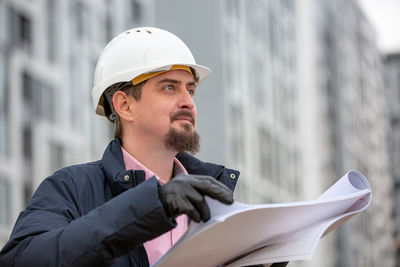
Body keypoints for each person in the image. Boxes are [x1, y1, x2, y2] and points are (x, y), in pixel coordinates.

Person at [0, 27, 287, 267]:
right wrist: (151, 207)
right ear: (125, 105)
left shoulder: (216, 200)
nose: (188, 101)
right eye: (169, 87)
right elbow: (22, 260)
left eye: (190, 89)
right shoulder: (71, 188)